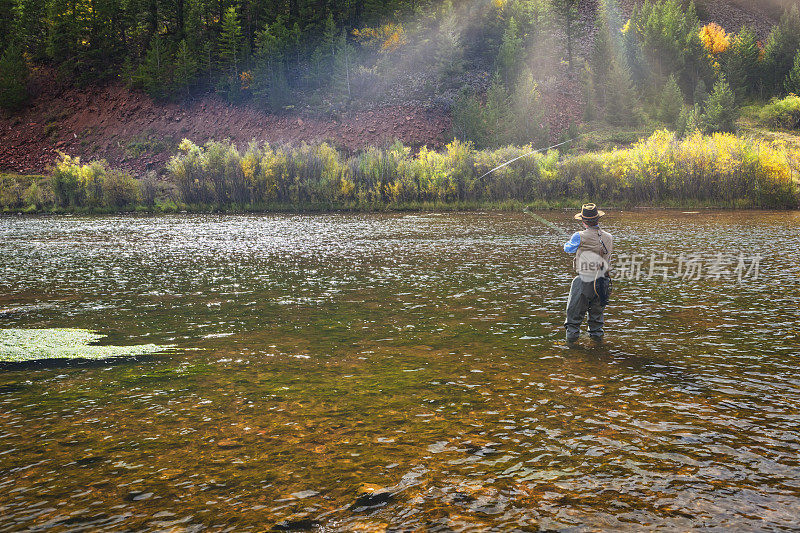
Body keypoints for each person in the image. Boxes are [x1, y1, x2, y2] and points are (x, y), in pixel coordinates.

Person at [563, 204, 613, 343]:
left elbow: (568, 249)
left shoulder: (578, 236)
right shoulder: (609, 237)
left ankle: (571, 353)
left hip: (584, 282)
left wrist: (570, 242)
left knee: (573, 321)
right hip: (603, 282)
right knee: (597, 322)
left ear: (583, 221)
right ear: (597, 220)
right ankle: (598, 350)